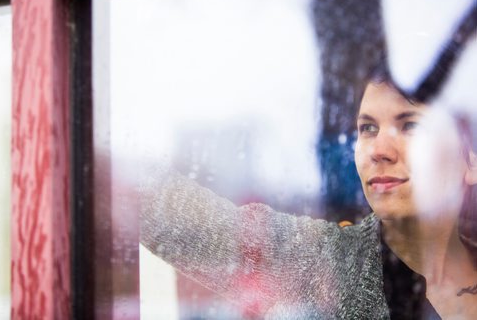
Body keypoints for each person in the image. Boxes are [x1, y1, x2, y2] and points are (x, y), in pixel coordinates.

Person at [138, 70, 477, 319]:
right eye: (367, 128)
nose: (379, 149)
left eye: (411, 125)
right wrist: (115, 181)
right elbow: (212, 229)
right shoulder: (337, 261)